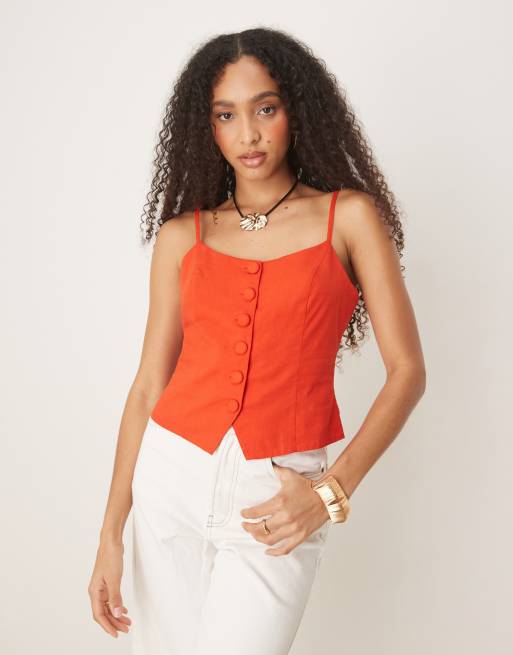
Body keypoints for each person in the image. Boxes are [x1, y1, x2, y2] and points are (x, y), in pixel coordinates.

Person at [88, 27, 426, 654]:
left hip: (278, 498)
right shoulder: (183, 236)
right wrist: (111, 534)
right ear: (207, 128)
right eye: (226, 115)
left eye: (265, 109)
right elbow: (149, 386)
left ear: (297, 110)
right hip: (169, 483)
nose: (248, 134)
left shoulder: (349, 218)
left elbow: (407, 371)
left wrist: (329, 493)